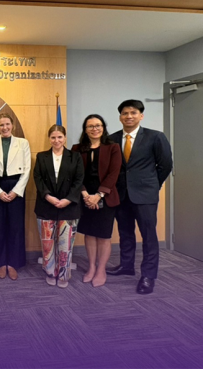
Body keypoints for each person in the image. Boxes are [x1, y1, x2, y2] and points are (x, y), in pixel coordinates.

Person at [107, 100, 172, 294]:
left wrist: (153, 185)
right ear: (120, 117)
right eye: (125, 113)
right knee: (125, 232)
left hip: (145, 195)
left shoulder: (155, 137)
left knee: (148, 235)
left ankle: (148, 276)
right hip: (121, 194)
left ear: (141, 116)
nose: (129, 116)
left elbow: (166, 165)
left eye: (133, 113)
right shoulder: (111, 139)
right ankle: (126, 265)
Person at [72, 114, 121, 287]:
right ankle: (91, 267)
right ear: (85, 130)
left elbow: (114, 173)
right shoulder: (77, 148)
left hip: (105, 197)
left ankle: (101, 269)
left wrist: (99, 195)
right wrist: (85, 194)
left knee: (103, 235)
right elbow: (75, 173)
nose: (95, 129)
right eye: (91, 126)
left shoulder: (113, 147)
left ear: (103, 127)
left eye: (98, 125)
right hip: (84, 196)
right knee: (89, 233)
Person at [33, 125, 84, 288]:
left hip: (69, 207)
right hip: (46, 205)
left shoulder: (75, 156)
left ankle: (63, 274)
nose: (56, 140)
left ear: (65, 138)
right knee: (47, 244)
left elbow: (79, 180)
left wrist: (68, 200)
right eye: (53, 137)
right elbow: (37, 178)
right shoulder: (41, 156)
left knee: (65, 244)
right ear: (49, 139)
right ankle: (50, 272)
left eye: (60, 137)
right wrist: (48, 197)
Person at [0, 113, 31, 280]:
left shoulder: (23, 143)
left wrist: (16, 191)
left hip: (16, 186)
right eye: (1, 125)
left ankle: (14, 263)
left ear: (12, 125)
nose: (4, 127)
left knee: (15, 227)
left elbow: (27, 169)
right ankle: (0, 263)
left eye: (7, 124)